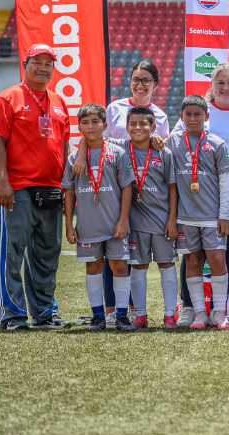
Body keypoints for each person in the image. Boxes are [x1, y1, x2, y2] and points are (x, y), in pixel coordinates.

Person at [74, 59, 169, 326]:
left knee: (126, 253)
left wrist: (160, 142)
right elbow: (93, 135)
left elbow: (161, 149)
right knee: (108, 245)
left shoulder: (160, 115)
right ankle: (110, 308)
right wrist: (81, 152)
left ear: (155, 84)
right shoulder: (115, 108)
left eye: (146, 80)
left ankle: (132, 309)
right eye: (136, 79)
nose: (140, 85)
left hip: (146, 191)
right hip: (112, 185)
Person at [0, 43, 70, 330]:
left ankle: (45, 313)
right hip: (17, 190)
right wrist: (4, 182)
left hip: (51, 190)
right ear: (26, 64)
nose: (44, 67)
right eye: (38, 62)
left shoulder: (59, 101)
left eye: (49, 63)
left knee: (46, 256)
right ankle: (13, 314)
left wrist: (64, 184)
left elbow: (65, 144)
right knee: (11, 254)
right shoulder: (9, 98)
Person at [172, 63, 229, 326]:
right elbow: (176, 145)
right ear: (212, 84)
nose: (225, 88)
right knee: (192, 255)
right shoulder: (198, 111)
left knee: (225, 254)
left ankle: (219, 309)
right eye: (220, 82)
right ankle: (189, 306)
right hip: (196, 197)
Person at [61, 104, 135, 331]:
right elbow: (69, 192)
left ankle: (122, 315)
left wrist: (123, 221)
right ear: (79, 126)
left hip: (114, 223)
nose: (91, 126)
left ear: (105, 124)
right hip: (88, 224)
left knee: (119, 266)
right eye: (85, 122)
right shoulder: (75, 158)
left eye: (95, 121)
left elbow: (127, 189)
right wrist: (69, 225)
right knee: (93, 267)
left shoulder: (117, 153)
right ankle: (97, 316)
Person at [169, 96, 229, 330]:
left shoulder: (217, 143)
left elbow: (226, 181)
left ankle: (219, 313)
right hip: (185, 217)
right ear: (182, 117)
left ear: (206, 116)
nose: (193, 118)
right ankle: (198, 313)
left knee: (217, 259)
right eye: (189, 115)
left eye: (198, 114)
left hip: (212, 216)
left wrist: (225, 214)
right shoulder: (172, 143)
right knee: (193, 260)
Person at [124, 107, 179, 329]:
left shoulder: (163, 152)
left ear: (153, 126)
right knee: (139, 266)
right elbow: (91, 140)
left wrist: (172, 219)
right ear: (127, 127)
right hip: (135, 222)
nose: (138, 127)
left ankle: (169, 314)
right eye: (133, 123)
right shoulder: (120, 149)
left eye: (143, 124)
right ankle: (140, 315)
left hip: (162, 220)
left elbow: (173, 188)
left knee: (167, 264)